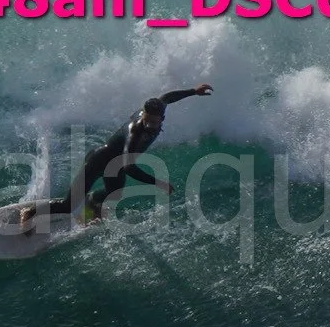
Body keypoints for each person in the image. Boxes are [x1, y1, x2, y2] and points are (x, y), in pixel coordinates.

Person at [24, 84, 212, 226]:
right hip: (98, 161)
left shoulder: (158, 108)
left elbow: (168, 97)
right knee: (68, 205)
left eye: (154, 122)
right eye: (146, 120)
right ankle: (30, 212)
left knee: (113, 193)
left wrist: (194, 91)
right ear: (143, 114)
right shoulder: (135, 132)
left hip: (115, 166)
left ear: (162, 118)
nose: (148, 125)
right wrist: (158, 183)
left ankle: (92, 203)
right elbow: (129, 166)